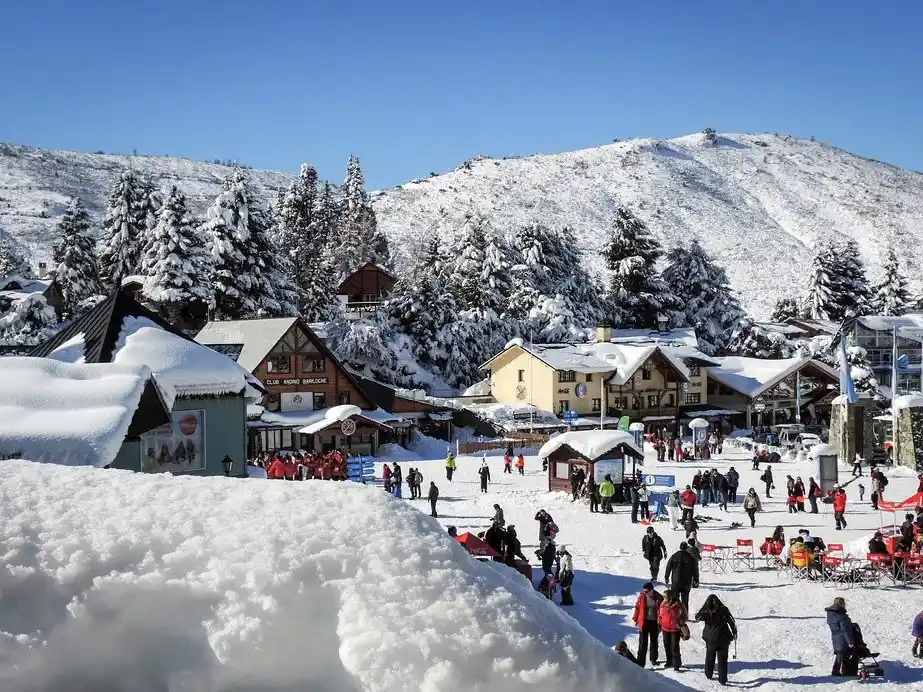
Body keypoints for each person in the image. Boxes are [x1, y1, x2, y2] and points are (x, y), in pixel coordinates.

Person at [695, 594, 738, 686]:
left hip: (711, 639)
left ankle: (708, 674)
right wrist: (734, 632)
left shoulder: (706, 612)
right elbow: (732, 622)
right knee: (723, 659)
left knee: (710, 657)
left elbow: (697, 617)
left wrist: (704, 609)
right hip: (724, 638)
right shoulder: (724, 609)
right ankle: (722, 679)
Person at [632, 582, 663, 668]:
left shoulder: (659, 597)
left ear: (652, 590)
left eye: (646, 591)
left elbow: (662, 610)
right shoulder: (642, 597)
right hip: (644, 622)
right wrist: (635, 619)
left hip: (654, 622)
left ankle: (653, 659)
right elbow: (637, 608)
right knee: (643, 642)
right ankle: (641, 661)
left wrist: (662, 623)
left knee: (654, 642)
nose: (645, 593)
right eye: (644, 591)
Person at [658, 588, 688, 672]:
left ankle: (676, 664)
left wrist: (680, 621)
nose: (663, 598)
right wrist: (660, 622)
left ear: (670, 597)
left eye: (665, 596)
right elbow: (659, 614)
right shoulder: (662, 604)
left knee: (674, 647)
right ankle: (669, 661)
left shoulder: (679, 604)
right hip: (665, 628)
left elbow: (685, 615)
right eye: (663, 596)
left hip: (675, 629)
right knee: (667, 646)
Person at [825, 597, 856, 677]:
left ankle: (839, 670)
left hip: (835, 635)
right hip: (842, 637)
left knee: (840, 653)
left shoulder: (831, 613)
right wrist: (850, 641)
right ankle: (836, 671)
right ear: (842, 604)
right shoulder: (840, 614)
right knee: (841, 653)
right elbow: (844, 629)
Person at [664, 542, 699, 610]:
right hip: (686, 582)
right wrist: (696, 579)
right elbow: (695, 569)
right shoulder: (690, 557)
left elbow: (668, 566)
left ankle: (674, 613)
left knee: (674, 599)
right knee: (685, 601)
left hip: (676, 581)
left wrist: (666, 576)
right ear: (686, 548)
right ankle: (685, 614)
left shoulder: (674, 556)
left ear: (680, 547)